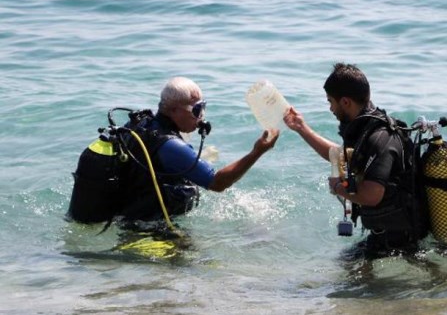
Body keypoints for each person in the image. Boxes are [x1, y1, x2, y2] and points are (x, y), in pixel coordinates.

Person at [68, 76, 279, 227]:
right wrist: (256, 152)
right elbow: (217, 183)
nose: (202, 116)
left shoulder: (141, 124)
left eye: (203, 107)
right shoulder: (169, 145)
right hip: (147, 231)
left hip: (127, 217)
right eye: (196, 110)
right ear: (174, 110)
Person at [283, 63, 428, 257]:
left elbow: (371, 195)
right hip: (385, 238)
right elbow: (339, 156)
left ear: (345, 102)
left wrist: (337, 187)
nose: (330, 108)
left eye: (330, 102)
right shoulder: (366, 130)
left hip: (399, 243)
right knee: (344, 267)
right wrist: (301, 127)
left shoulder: (380, 138)